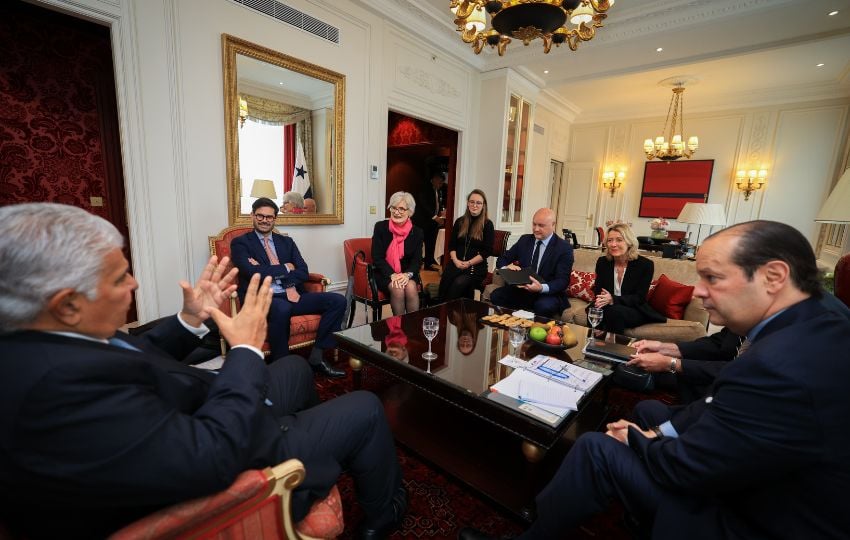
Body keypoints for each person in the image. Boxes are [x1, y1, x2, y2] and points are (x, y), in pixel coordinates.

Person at [0, 203, 406, 540]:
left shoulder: (46, 339)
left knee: (291, 370)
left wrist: (188, 320)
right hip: (228, 447)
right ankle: (377, 514)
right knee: (366, 406)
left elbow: (133, 355)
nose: (135, 284)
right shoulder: (56, 392)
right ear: (67, 304)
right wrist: (245, 348)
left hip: (203, 404)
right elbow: (212, 455)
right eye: (119, 276)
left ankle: (308, 437)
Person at [459, 220, 850, 540]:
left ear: (774, 276)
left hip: (749, 520)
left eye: (712, 278)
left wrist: (635, 437)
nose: (699, 292)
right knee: (648, 413)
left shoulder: (781, 365)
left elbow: (689, 466)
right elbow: (714, 408)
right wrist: (660, 424)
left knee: (598, 447)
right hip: (766, 484)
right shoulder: (821, 317)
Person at [629, 288, 850, 403]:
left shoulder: (808, 318)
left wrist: (671, 363)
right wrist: (665, 347)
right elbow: (719, 343)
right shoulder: (763, 301)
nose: (700, 291)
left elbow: (748, 370)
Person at [230, 197, 345, 378]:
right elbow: (251, 273)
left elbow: (303, 271)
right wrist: (285, 267)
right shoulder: (241, 243)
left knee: (337, 300)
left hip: (293, 293)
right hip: (263, 299)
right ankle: (281, 367)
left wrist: (266, 269)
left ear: (275, 218)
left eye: (269, 217)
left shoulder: (286, 242)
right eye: (260, 216)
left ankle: (317, 356)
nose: (264, 220)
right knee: (281, 307)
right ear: (252, 215)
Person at [489, 208, 573, 318]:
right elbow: (502, 259)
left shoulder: (564, 248)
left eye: (541, 225)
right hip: (522, 290)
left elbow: (563, 280)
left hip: (547, 293)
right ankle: (509, 328)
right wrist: (506, 268)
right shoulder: (525, 240)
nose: (536, 229)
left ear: (553, 225)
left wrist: (541, 288)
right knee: (496, 295)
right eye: (534, 224)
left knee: (543, 306)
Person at [591, 223, 665, 334]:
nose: (613, 244)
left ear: (629, 242)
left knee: (615, 312)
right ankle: (591, 345)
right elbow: (598, 290)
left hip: (634, 308)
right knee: (594, 310)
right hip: (607, 306)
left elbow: (639, 298)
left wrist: (613, 299)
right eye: (610, 240)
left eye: (619, 240)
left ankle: (613, 349)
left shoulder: (645, 265)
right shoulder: (603, 262)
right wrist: (603, 300)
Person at [372, 191, 424, 316]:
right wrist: (392, 275)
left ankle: (412, 327)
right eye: (394, 207)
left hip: (407, 272)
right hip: (385, 273)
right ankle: (398, 329)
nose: (396, 212)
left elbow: (417, 260)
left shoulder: (417, 232)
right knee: (398, 288)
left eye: (401, 209)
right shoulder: (380, 227)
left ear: (410, 212)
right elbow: (377, 257)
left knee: (411, 288)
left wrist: (407, 275)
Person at [437, 189, 494, 302]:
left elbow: (486, 252)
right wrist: (456, 261)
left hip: (475, 268)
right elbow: (452, 246)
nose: (475, 205)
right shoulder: (459, 222)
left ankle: (456, 313)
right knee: (445, 281)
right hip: (456, 263)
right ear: (468, 203)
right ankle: (443, 313)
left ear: (483, 206)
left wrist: (468, 263)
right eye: (472, 202)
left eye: (478, 203)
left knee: (458, 283)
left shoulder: (487, 225)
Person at [411, 170, 446, 270]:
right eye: (440, 182)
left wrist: (440, 214)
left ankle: (429, 264)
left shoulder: (438, 191)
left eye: (442, 182)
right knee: (418, 244)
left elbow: (437, 205)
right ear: (433, 180)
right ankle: (416, 264)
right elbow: (424, 204)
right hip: (421, 223)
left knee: (431, 244)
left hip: (431, 224)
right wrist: (435, 217)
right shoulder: (425, 189)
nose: (441, 184)